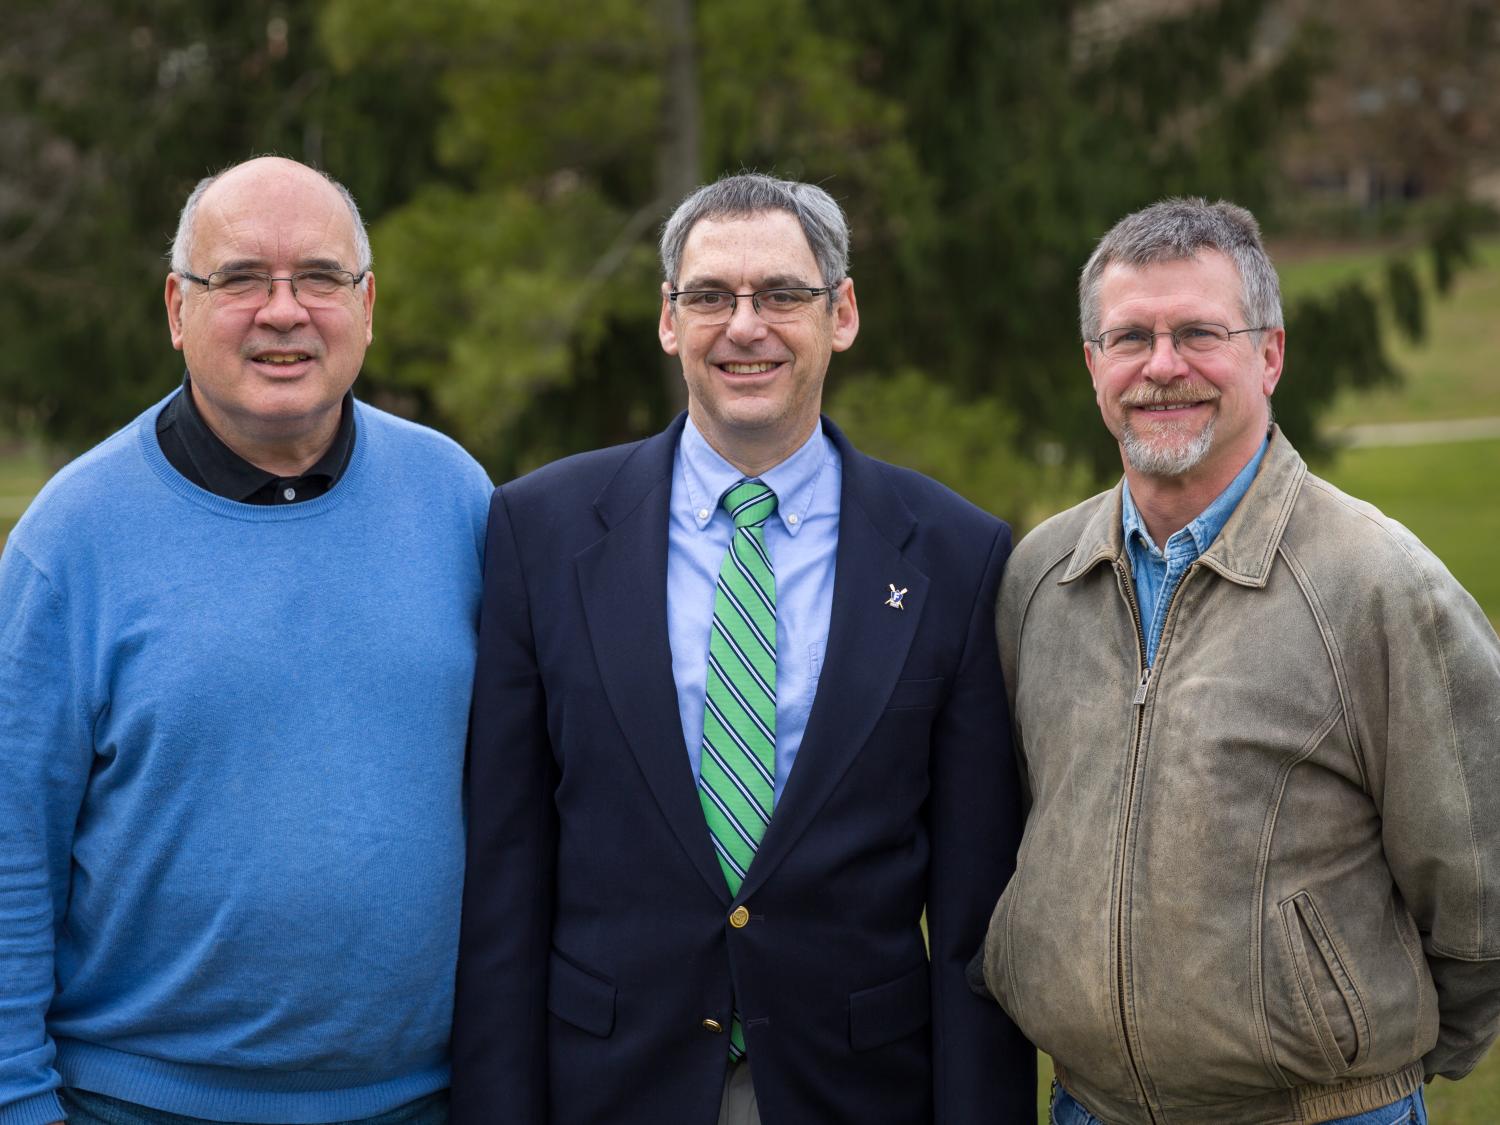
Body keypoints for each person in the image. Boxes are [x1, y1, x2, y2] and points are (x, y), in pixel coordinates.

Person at [451, 172, 1034, 1125]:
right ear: (669, 320)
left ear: (842, 314)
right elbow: (506, 878)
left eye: (783, 294)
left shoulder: (955, 554)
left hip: (855, 1090)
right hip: (609, 1085)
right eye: (712, 295)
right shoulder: (540, 532)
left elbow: (975, 914)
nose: (746, 326)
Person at [979, 196, 1500, 1125]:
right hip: (1088, 1108)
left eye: (1199, 333)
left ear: (1270, 354)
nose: (1162, 365)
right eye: (1130, 337)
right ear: (1094, 365)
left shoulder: (1379, 584)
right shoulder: (1040, 579)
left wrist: (1375, 1073)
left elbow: (1479, 894)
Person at [0, 156, 492, 1125]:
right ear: (177, 309)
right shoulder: (72, 540)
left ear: (367, 306)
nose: (284, 311)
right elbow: (11, 851)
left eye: (319, 277)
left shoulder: (457, 502)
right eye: (241, 279)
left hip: (424, 1103)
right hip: (134, 1105)